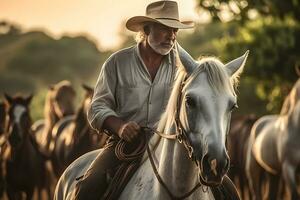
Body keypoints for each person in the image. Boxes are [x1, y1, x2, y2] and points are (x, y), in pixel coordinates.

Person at [72, 1, 194, 199]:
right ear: (146, 29)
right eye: (165, 29)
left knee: (226, 190)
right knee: (87, 189)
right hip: (124, 145)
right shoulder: (117, 63)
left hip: (171, 145)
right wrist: (120, 126)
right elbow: (97, 107)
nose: (171, 36)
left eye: (175, 30)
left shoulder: (183, 66)